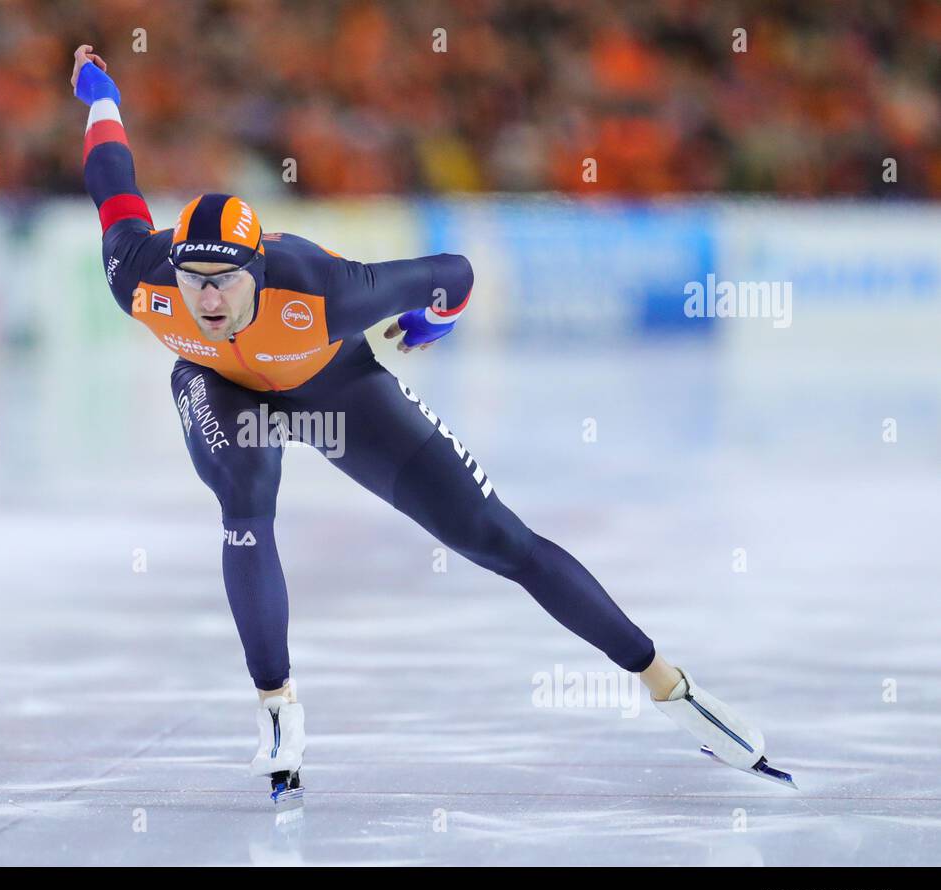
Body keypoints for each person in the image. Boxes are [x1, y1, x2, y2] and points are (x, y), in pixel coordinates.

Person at [69, 45, 792, 802]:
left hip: (335, 387)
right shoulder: (139, 275)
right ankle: (277, 711)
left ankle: (669, 687)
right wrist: (102, 96)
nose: (207, 301)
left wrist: (431, 320)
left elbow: (457, 271)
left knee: (495, 538)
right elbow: (112, 185)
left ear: (258, 270)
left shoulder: (326, 293)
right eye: (193, 281)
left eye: (224, 282)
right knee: (247, 498)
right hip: (220, 389)